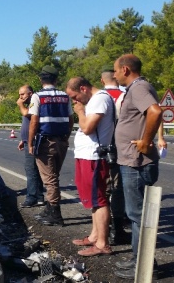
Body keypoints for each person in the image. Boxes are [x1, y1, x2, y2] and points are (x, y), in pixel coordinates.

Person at [111, 54, 162, 280]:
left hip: (137, 162)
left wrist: (145, 141)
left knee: (137, 214)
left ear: (124, 69)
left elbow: (155, 111)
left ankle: (143, 263)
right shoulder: (136, 88)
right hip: (132, 161)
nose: (113, 75)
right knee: (137, 214)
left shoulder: (139, 87)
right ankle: (139, 258)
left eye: (115, 71)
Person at [65, 77, 115, 256]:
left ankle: (102, 243)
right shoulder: (94, 100)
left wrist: (79, 111)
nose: (75, 101)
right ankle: (95, 236)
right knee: (93, 199)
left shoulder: (100, 99)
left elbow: (88, 128)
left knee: (99, 199)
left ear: (84, 88)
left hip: (94, 157)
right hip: (85, 155)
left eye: (75, 96)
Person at [27, 65, 73, 226]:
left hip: (45, 141)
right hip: (61, 140)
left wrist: (30, 142)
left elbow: (34, 121)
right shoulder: (64, 96)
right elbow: (70, 118)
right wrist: (66, 136)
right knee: (53, 175)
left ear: (41, 79)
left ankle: (55, 212)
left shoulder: (37, 96)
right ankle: (48, 209)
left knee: (50, 178)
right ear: (56, 79)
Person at [100, 66, 132, 245]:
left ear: (102, 80)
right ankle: (118, 224)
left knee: (104, 185)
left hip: (103, 147)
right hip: (121, 145)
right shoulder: (125, 94)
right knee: (118, 186)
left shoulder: (97, 97)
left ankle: (106, 226)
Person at [17, 85, 45, 208]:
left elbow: (26, 114)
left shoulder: (34, 101)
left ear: (30, 93)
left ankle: (31, 197)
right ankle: (39, 197)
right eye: (19, 95)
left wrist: (20, 105)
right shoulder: (31, 102)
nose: (20, 97)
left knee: (31, 169)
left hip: (33, 141)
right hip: (29, 140)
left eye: (22, 94)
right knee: (34, 169)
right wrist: (23, 140)